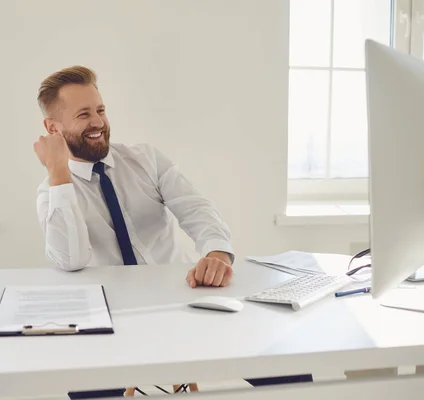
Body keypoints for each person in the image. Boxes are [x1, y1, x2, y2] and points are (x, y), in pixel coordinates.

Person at [33, 66, 311, 399]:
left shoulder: (146, 159)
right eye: (83, 114)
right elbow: (71, 259)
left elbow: (196, 208)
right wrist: (58, 171)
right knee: (87, 389)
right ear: (53, 128)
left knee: (286, 366)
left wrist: (217, 253)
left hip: (183, 300)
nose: (98, 122)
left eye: (101, 110)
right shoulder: (51, 193)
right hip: (112, 320)